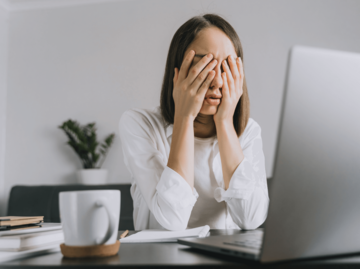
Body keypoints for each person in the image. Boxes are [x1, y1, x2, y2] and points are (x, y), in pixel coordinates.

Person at [119, 14, 269, 231]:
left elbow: (251, 219)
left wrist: (225, 122)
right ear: (177, 71)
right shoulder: (139, 125)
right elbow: (172, 221)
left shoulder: (249, 132)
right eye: (204, 66)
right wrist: (184, 117)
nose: (217, 81)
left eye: (227, 67)